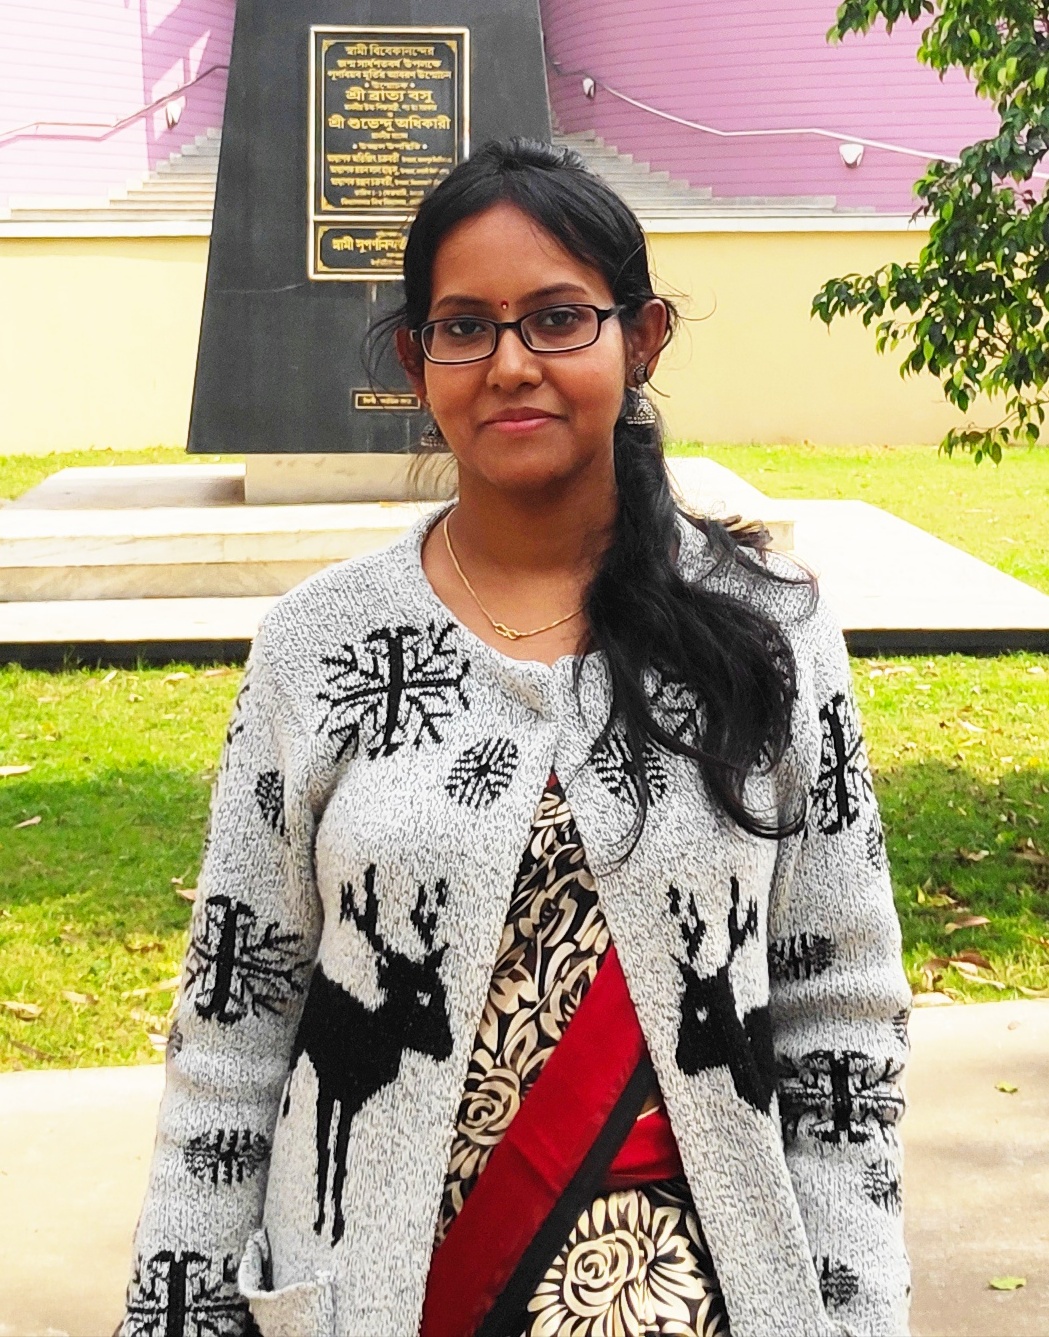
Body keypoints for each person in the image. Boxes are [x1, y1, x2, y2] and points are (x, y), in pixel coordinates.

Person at [119, 138, 911, 1337]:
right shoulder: (320, 648)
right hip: (385, 1300)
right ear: (414, 358)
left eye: (555, 319)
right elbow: (234, 1030)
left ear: (641, 339)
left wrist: (856, 1312)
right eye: (463, 327)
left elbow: (839, 1008)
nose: (508, 365)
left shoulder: (766, 634)